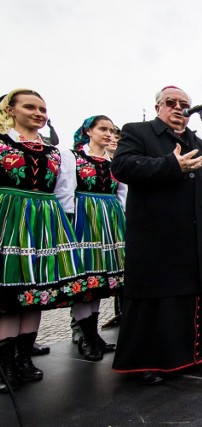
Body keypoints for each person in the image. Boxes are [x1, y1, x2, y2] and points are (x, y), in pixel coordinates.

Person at [111, 86, 202, 385]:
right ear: (158, 106)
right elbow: (122, 166)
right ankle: (147, 361)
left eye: (183, 104)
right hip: (156, 235)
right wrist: (171, 164)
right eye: (171, 103)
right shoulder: (138, 131)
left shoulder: (199, 142)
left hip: (194, 234)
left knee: (191, 294)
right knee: (158, 299)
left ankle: (194, 352)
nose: (178, 108)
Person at [0, 89, 84, 393]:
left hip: (46, 219)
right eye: (30, 107)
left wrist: (65, 227)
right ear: (11, 110)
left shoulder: (56, 153)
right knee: (9, 294)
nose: (38, 113)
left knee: (36, 292)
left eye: (42, 108)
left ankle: (24, 358)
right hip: (9, 216)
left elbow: (64, 192)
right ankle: (5, 363)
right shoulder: (0, 144)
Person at [58, 115, 126, 361]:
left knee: (99, 283)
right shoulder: (72, 157)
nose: (108, 134)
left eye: (111, 130)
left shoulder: (114, 162)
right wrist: (68, 226)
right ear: (89, 131)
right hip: (84, 218)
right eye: (103, 129)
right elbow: (64, 191)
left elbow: (122, 195)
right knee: (84, 281)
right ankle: (86, 337)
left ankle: (94, 334)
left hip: (111, 221)